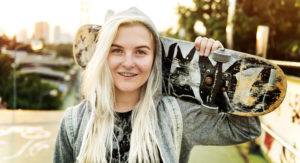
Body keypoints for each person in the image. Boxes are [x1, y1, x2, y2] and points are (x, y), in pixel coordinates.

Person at [54, 7, 261, 163]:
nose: (128, 62)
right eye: (116, 50)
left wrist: (222, 73)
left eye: (141, 51)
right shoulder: (74, 122)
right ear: (102, 56)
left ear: (155, 60)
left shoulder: (175, 115)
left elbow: (244, 129)